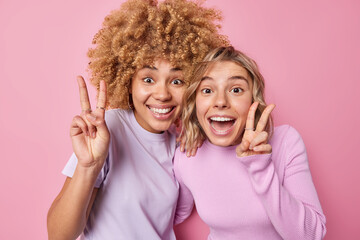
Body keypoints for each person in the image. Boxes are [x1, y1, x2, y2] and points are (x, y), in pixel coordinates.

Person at [47, 0, 228, 239]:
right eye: (148, 79)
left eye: (177, 81)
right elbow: (59, 236)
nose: (163, 94)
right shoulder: (108, 129)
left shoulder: (180, 146)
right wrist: (87, 166)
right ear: (128, 83)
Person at [174, 46, 327, 239]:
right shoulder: (187, 155)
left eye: (236, 89)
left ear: (253, 101)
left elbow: (311, 235)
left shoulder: (286, 141)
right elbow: (172, 213)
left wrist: (260, 167)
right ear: (195, 102)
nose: (220, 101)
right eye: (207, 90)